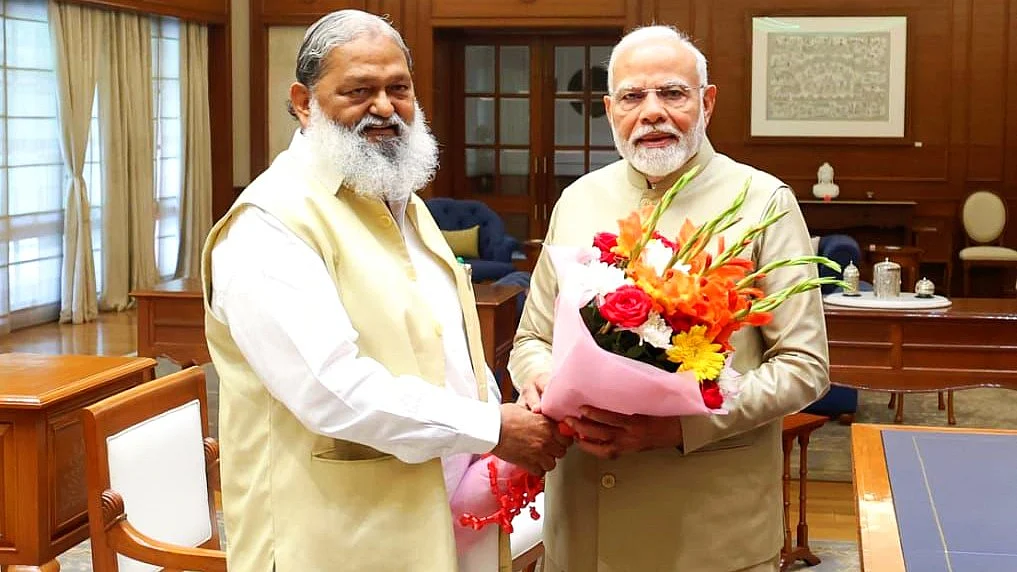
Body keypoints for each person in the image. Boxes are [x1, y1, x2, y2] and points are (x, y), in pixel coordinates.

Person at [201, 10, 568, 572]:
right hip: (336, 536)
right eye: (358, 90)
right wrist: (493, 429)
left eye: (399, 88)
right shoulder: (270, 222)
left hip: (438, 507)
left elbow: (446, 350)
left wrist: (506, 416)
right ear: (303, 102)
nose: (383, 107)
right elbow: (330, 388)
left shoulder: (398, 200)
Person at [508, 25, 830, 572]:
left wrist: (680, 426)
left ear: (707, 102)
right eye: (633, 97)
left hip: (707, 530)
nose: (652, 112)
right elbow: (532, 339)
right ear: (612, 110)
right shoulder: (578, 200)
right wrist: (540, 380)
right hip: (582, 523)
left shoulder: (763, 202)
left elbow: (805, 367)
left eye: (673, 94)